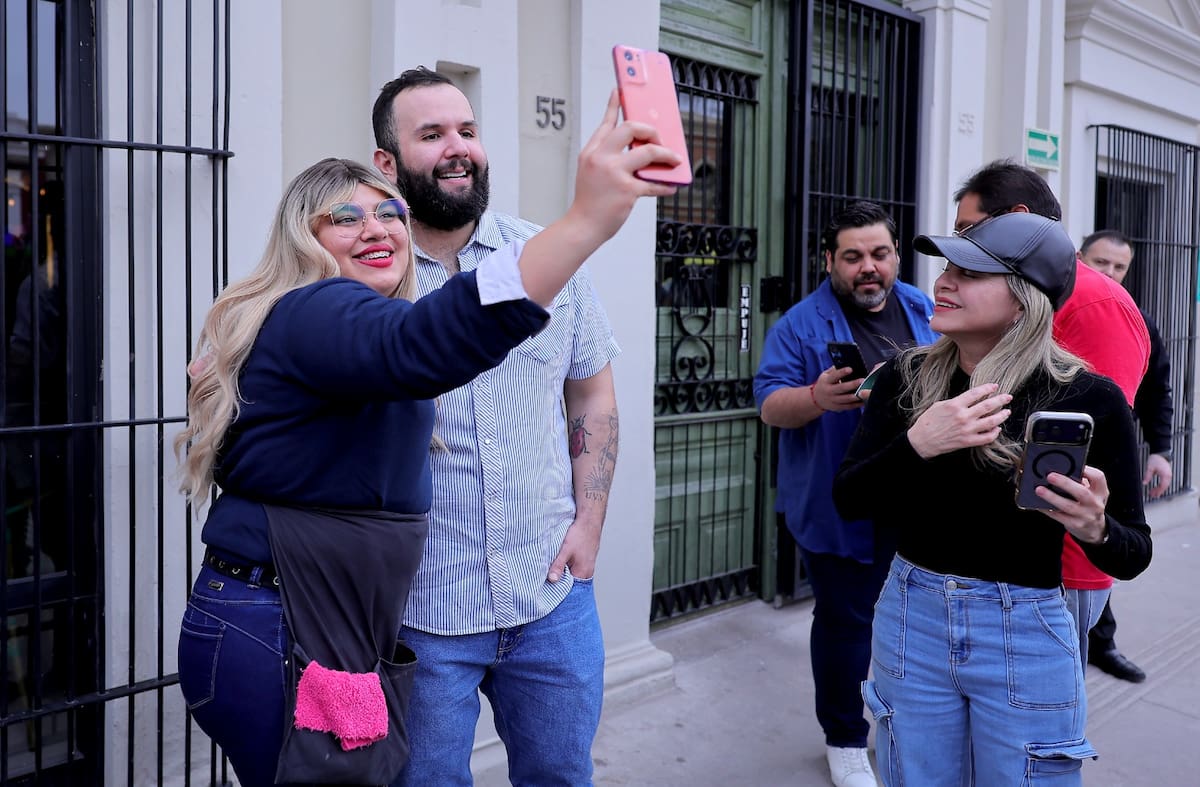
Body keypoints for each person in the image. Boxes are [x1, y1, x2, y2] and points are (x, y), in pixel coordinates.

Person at [174, 97, 680, 787]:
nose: (376, 229)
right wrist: (586, 220)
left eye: (387, 214)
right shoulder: (324, 310)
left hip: (519, 599)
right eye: (345, 218)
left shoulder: (328, 318)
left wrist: (588, 522)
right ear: (305, 238)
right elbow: (421, 344)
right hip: (305, 625)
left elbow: (587, 390)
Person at [834, 211, 1152, 785]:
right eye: (946, 267)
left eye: (969, 272)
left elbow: (1133, 553)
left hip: (1027, 630)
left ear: (1024, 299)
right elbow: (850, 500)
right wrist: (919, 444)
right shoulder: (908, 378)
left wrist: (1094, 527)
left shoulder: (1088, 397)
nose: (943, 281)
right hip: (913, 619)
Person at [371, 67, 625, 786]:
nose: (458, 148)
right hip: (420, 614)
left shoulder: (546, 256)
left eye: (468, 130)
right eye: (432, 134)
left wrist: (591, 523)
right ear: (387, 163)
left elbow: (593, 390)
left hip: (550, 596)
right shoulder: (368, 276)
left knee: (561, 777)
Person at [753, 200, 937, 787]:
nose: (868, 267)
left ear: (895, 257)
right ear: (829, 260)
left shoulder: (923, 308)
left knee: (907, 623)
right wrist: (815, 398)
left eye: (879, 254)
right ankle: (844, 737)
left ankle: (895, 725)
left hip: (914, 499)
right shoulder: (799, 325)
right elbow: (768, 406)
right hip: (838, 505)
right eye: (852, 256)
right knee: (845, 624)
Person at [950, 159, 1151, 679]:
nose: (957, 252)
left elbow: (1095, 445)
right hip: (988, 558)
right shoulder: (1000, 293)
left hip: (1055, 567)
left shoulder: (1094, 304)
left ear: (1017, 218)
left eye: (967, 233)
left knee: (1031, 724)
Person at [1077, 228, 1171, 683]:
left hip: (1110, 459)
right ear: (1080, 259)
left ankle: (1103, 643)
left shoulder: (1138, 320)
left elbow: (1158, 389)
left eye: (1119, 267)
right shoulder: (1064, 307)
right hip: (1065, 453)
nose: (1111, 273)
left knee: (1104, 544)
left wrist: (1162, 450)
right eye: (1102, 263)